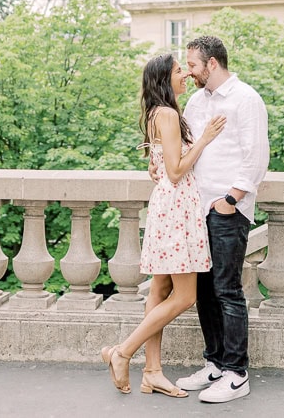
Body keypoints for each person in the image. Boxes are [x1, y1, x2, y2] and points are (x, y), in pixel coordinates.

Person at [100, 53, 225, 397]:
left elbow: (161, 164)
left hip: (167, 206)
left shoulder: (160, 112)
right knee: (185, 296)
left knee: (159, 290)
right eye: (178, 71)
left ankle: (152, 372)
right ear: (163, 79)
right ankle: (123, 351)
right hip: (177, 208)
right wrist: (205, 138)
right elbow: (176, 170)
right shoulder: (168, 114)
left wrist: (155, 166)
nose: (185, 75)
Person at [174, 35, 269, 404]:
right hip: (195, 209)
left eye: (193, 65)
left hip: (226, 209)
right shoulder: (197, 101)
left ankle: (236, 373)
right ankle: (214, 364)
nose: (189, 72)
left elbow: (256, 156)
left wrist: (231, 200)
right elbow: (186, 146)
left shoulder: (246, 98)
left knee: (227, 290)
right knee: (203, 291)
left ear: (211, 63)